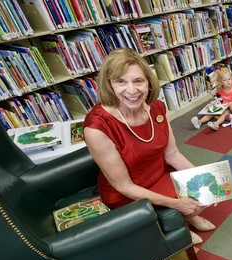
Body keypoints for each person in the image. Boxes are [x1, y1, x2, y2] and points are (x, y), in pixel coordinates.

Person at [84, 48, 214, 245]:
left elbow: (172, 154)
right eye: (120, 81)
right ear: (109, 84)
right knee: (192, 203)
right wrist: (176, 203)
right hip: (127, 191)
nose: (132, 90)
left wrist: (205, 178)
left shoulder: (157, 107)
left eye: (138, 81)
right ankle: (178, 219)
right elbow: (123, 185)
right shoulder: (97, 127)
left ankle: (185, 217)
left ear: (148, 81)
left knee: (206, 193)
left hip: (159, 172)